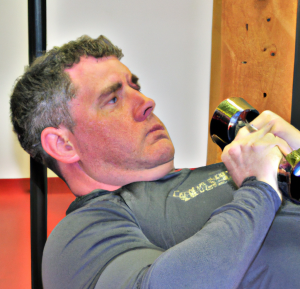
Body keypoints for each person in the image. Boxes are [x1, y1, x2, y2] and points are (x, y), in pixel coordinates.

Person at [10, 35, 300, 288]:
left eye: (135, 87)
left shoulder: (235, 168)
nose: (146, 101)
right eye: (112, 99)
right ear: (63, 144)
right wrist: (258, 190)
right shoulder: (83, 233)